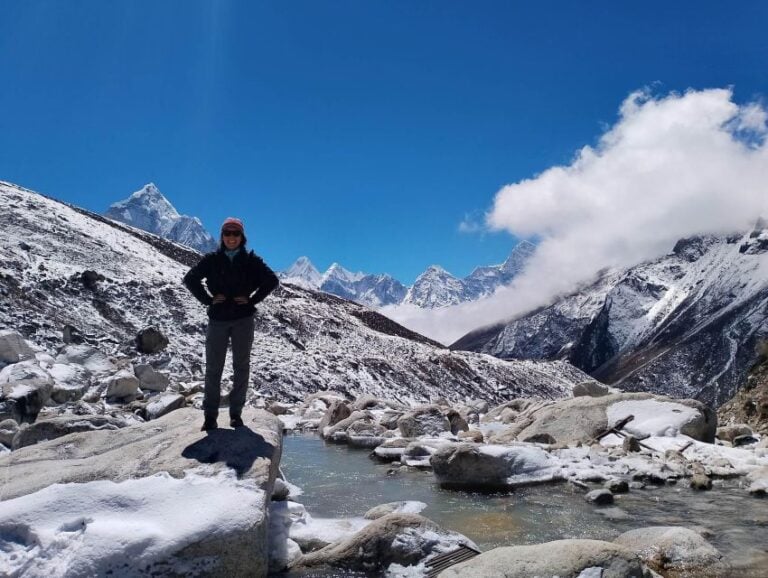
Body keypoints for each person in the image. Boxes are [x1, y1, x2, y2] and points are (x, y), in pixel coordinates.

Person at [183, 217, 279, 431]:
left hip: (243, 319)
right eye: (227, 233)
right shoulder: (212, 260)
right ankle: (210, 417)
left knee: (241, 367)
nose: (231, 237)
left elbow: (272, 281)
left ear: (242, 237)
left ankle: (236, 414)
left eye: (236, 234)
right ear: (222, 236)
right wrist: (208, 299)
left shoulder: (251, 261)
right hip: (218, 319)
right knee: (213, 369)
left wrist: (252, 300)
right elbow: (190, 279)